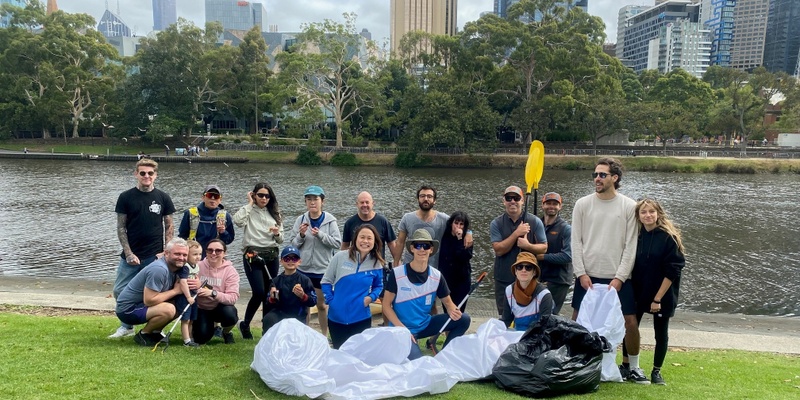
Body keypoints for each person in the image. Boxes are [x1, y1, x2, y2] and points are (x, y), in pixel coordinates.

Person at [570, 158, 642, 382]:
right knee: (576, 319)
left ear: (615, 178)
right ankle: (573, 361)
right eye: (595, 175)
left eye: (602, 175)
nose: (597, 179)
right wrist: (581, 273)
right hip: (587, 276)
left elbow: (631, 246)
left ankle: (633, 367)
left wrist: (620, 277)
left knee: (630, 321)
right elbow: (576, 242)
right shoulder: (582, 204)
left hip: (618, 277)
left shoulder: (629, 206)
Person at [110, 158, 175, 338]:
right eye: (143, 173)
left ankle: (155, 326)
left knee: (155, 294)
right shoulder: (125, 197)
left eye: (150, 173)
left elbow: (169, 226)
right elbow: (121, 227)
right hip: (131, 255)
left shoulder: (163, 197)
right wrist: (129, 253)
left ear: (156, 175)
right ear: (136, 174)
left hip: (154, 256)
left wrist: (165, 251)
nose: (146, 176)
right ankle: (126, 326)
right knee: (119, 290)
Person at [623, 198, 686, 385]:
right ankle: (628, 367)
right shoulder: (637, 235)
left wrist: (657, 299)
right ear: (638, 216)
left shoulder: (668, 237)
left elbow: (673, 270)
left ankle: (656, 371)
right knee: (631, 327)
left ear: (658, 213)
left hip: (662, 294)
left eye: (651, 211)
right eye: (643, 212)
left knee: (661, 333)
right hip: (639, 291)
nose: (648, 215)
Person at [382, 229, 471, 360]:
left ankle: (445, 356)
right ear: (412, 249)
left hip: (425, 325)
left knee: (464, 319)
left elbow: (448, 303)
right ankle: (408, 345)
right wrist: (403, 330)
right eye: (418, 245)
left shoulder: (436, 276)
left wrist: (454, 310)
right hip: (402, 329)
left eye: (426, 246)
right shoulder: (397, 274)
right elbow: (386, 305)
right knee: (418, 364)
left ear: (431, 250)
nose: (422, 249)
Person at [287, 185, 341, 337]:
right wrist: (301, 235)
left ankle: (324, 336)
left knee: (321, 305)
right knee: (304, 304)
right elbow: (292, 245)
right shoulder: (301, 220)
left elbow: (337, 243)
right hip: (303, 269)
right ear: (305, 202)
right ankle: (305, 336)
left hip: (322, 270)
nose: (312, 202)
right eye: (309, 199)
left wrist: (320, 235)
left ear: (322, 201)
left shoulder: (330, 221)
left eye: (315, 199)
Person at [232, 182, 283, 340]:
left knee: (269, 293)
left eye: (267, 196)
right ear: (254, 195)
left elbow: (281, 239)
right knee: (259, 292)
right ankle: (245, 324)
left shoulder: (274, 213)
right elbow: (237, 221)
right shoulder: (249, 210)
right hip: (253, 255)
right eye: (260, 195)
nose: (264, 198)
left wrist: (276, 233)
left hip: (271, 255)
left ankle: (266, 329)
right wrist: (249, 204)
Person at [114, 238, 188, 347]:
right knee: (169, 309)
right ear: (166, 253)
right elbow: (149, 300)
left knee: (180, 304)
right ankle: (144, 334)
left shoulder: (177, 268)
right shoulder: (159, 269)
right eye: (177, 254)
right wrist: (175, 291)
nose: (181, 258)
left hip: (141, 306)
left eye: (184, 255)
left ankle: (155, 332)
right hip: (128, 310)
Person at [323, 224, 385, 349]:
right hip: (336, 318)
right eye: (362, 237)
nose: (365, 241)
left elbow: (379, 286)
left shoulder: (377, 262)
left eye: (369, 238)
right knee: (339, 353)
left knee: (359, 354)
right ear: (355, 239)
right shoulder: (340, 257)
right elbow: (326, 281)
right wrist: (331, 301)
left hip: (361, 317)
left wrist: (371, 298)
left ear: (375, 242)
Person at [490, 185, 547, 315]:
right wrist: (517, 233)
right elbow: (498, 250)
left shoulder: (535, 221)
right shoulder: (496, 223)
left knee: (528, 315)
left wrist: (528, 246)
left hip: (528, 278)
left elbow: (544, 248)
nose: (512, 201)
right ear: (503, 201)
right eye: (508, 198)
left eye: (516, 198)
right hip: (503, 277)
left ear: (522, 200)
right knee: (505, 315)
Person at [392, 185, 473, 268]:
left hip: (433, 268)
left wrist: (469, 232)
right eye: (422, 196)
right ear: (418, 199)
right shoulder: (407, 218)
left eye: (429, 196)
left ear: (434, 201)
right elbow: (400, 242)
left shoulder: (443, 219)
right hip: (409, 266)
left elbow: (460, 223)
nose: (426, 199)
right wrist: (396, 263)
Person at [191, 239, 240, 345]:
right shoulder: (197, 266)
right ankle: (210, 326)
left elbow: (233, 297)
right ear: (206, 252)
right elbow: (189, 285)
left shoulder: (230, 271)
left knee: (230, 314)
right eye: (210, 250)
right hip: (201, 308)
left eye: (218, 251)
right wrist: (199, 289)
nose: (213, 253)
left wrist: (213, 293)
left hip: (219, 307)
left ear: (224, 253)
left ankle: (226, 332)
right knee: (201, 338)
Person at [262, 246, 317, 333]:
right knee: (268, 319)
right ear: (281, 261)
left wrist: (303, 296)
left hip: (298, 315)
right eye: (287, 259)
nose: (291, 261)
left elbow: (313, 301)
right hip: (280, 313)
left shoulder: (305, 280)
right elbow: (268, 304)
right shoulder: (275, 281)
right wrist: (272, 298)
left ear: (299, 262)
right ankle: (269, 342)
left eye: (294, 259)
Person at [536, 192, 573, 315]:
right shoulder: (536, 224)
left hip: (559, 280)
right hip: (540, 278)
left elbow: (568, 256)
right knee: (536, 314)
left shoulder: (566, 229)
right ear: (542, 205)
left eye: (555, 204)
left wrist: (542, 257)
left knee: (550, 315)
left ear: (560, 206)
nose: (551, 206)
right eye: (548, 203)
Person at [501, 252, 553, 331]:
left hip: (537, 336)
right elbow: (506, 320)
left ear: (534, 272)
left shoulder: (544, 295)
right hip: (517, 335)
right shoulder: (509, 290)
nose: (523, 270)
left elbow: (545, 327)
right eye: (519, 267)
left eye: (528, 267)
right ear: (515, 271)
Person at [178, 185, 235, 257]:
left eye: (216, 196)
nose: (213, 199)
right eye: (209, 195)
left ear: (220, 200)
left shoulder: (225, 215)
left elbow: (229, 240)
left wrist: (223, 232)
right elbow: (182, 237)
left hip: (215, 256)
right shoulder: (190, 213)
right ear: (203, 197)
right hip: (194, 256)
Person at [341, 191, 397, 260]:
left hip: (378, 264)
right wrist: (342, 263)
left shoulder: (383, 222)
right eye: (362, 202)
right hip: (356, 264)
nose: (364, 205)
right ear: (357, 204)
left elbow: (391, 244)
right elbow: (345, 246)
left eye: (367, 202)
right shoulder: (350, 223)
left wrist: (397, 262)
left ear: (373, 203)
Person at [437, 211, 474, 312]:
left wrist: (459, 238)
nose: (458, 226)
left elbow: (465, 256)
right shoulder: (444, 236)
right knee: (448, 309)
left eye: (461, 224)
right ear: (451, 223)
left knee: (459, 310)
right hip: (447, 279)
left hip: (462, 279)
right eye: (456, 223)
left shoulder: (467, 239)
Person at [179, 240, 202, 347]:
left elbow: (196, 278)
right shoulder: (185, 267)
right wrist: (188, 296)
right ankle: (186, 341)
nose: (198, 257)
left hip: (194, 295)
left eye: (200, 254)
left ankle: (191, 337)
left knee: (192, 319)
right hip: (185, 296)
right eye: (195, 254)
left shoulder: (196, 266)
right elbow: (183, 282)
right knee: (186, 319)